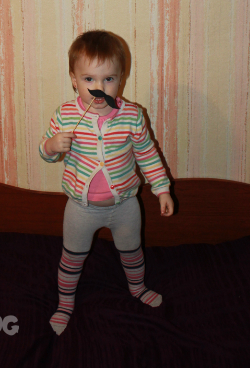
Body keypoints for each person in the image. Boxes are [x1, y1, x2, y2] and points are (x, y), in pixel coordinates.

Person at [39, 30, 174, 335]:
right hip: (81, 208)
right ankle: (65, 303)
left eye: (108, 79)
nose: (99, 89)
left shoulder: (132, 115)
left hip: (125, 205)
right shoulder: (65, 115)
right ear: (74, 80)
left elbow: (147, 154)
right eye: (89, 79)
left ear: (121, 79)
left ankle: (137, 287)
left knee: (132, 251)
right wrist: (51, 146)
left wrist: (162, 189)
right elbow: (45, 153)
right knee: (71, 258)